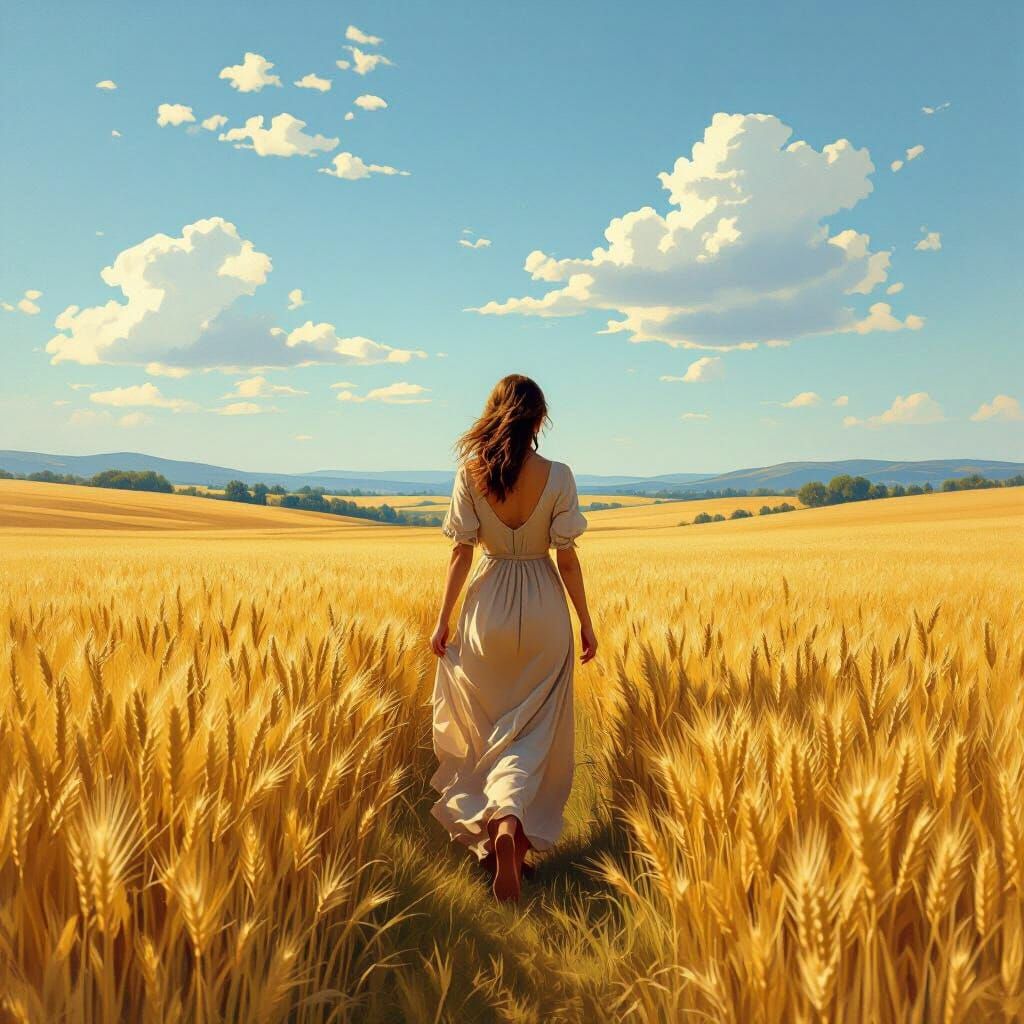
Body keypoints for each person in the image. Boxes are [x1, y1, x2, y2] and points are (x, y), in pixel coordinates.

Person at [428, 374, 597, 903]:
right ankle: (511, 829)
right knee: (534, 732)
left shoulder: (470, 473)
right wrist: (585, 621)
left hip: (487, 609)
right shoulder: (559, 475)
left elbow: (460, 552)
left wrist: (443, 619)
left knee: (487, 729)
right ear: (539, 419)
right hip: (544, 608)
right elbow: (567, 558)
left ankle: (496, 834)